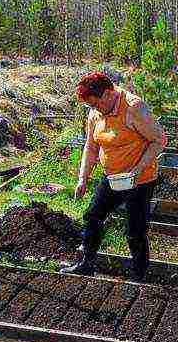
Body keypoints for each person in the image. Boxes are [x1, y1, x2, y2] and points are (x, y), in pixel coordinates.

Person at [61, 71, 165, 281]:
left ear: (109, 93)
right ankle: (87, 264)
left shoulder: (134, 108)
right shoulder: (96, 113)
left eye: (96, 104)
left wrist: (138, 169)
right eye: (91, 106)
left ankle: (139, 276)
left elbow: (159, 140)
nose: (94, 109)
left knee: (135, 230)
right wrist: (83, 178)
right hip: (113, 177)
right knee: (92, 216)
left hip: (139, 180)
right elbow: (91, 147)